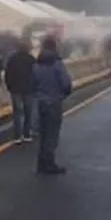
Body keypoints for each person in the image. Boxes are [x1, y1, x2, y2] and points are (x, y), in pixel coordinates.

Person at [31, 36, 73, 174]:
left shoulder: (36, 64)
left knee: (42, 134)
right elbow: (66, 83)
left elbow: (32, 83)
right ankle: (49, 163)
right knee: (52, 134)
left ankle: (41, 163)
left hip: (40, 102)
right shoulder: (57, 63)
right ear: (54, 47)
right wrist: (62, 95)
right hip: (54, 102)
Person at [4, 40, 37, 143]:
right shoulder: (31, 59)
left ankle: (17, 136)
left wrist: (9, 86)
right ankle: (27, 134)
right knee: (28, 112)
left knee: (17, 113)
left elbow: (7, 74)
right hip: (28, 89)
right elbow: (35, 74)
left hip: (15, 89)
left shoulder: (12, 59)